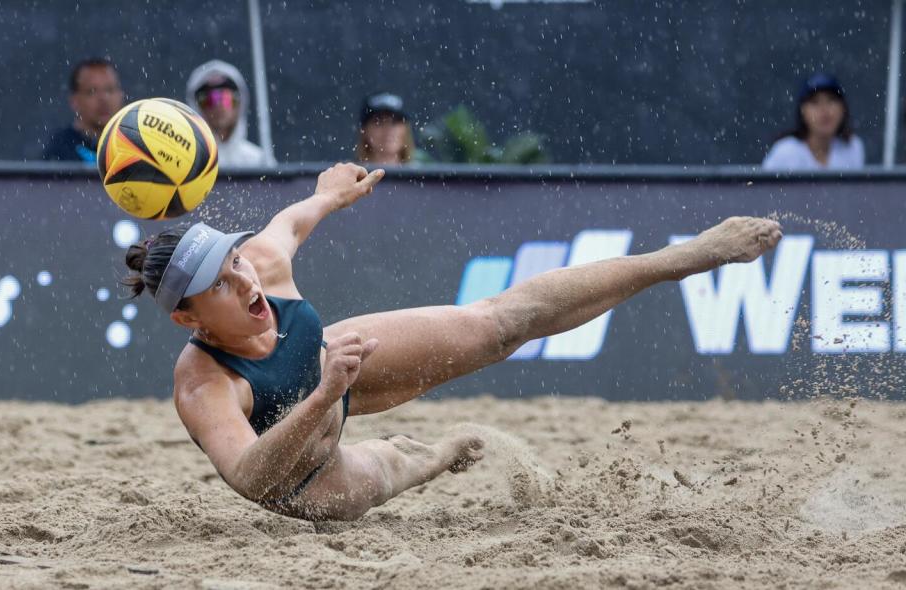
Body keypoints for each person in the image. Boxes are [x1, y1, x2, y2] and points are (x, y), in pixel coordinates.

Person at [121, 163, 782, 521]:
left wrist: (328, 194)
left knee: (500, 323)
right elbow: (250, 478)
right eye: (218, 282)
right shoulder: (202, 383)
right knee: (384, 477)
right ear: (189, 320)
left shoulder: (260, 266)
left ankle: (687, 256)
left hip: (333, 366)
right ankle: (430, 457)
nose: (241, 278)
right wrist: (325, 395)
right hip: (308, 472)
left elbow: (290, 220)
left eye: (232, 260)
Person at [762, 73, 865, 171]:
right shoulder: (785, 153)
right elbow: (762, 189)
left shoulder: (853, 147)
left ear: (843, 108)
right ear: (802, 111)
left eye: (831, 100)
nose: (824, 110)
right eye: (815, 102)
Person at [186, 60, 277, 168]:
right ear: (196, 107)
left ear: (240, 103)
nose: (219, 106)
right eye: (209, 100)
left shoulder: (259, 161)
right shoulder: (187, 159)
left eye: (226, 98)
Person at [42, 58, 124, 162]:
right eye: (92, 91)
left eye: (110, 90)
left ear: (121, 95)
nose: (103, 98)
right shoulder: (59, 152)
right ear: (74, 101)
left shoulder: (136, 145)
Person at [356, 92, 417, 165]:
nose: (388, 129)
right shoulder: (350, 175)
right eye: (378, 122)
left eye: (395, 122)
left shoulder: (423, 174)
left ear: (406, 130)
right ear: (364, 130)